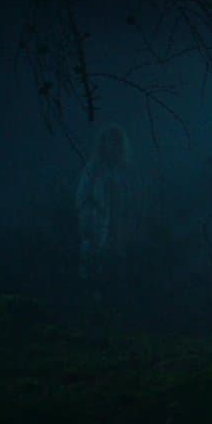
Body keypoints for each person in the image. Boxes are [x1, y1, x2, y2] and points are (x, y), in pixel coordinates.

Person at [76, 124, 133, 298]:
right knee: (93, 274)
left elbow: (129, 202)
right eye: (110, 142)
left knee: (115, 275)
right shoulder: (92, 170)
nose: (113, 147)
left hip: (118, 232)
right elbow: (82, 200)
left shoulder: (123, 172)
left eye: (116, 143)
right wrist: (88, 225)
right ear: (103, 144)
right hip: (96, 230)